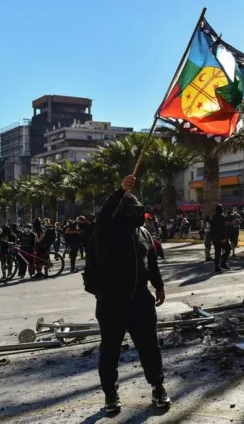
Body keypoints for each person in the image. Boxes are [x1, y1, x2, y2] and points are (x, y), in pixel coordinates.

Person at [90, 175, 170, 414]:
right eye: (132, 212)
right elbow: (104, 216)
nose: (137, 216)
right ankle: (110, 393)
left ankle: (158, 387)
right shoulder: (106, 230)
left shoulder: (144, 234)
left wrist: (158, 285)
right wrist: (120, 191)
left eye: (139, 212)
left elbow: (151, 262)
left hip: (140, 300)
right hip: (111, 301)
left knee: (150, 347)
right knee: (110, 350)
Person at [210, 205, 229, 273]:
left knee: (217, 252)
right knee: (228, 249)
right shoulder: (222, 217)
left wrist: (212, 238)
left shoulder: (213, 217)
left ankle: (217, 266)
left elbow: (211, 229)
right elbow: (222, 228)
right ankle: (222, 262)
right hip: (221, 238)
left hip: (215, 238)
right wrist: (223, 237)